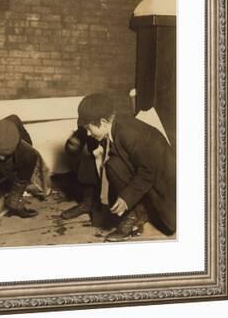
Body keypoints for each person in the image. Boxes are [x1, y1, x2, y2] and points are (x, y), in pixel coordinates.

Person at [73, 93, 176, 241]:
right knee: (112, 163)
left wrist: (127, 198)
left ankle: (139, 213)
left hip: (166, 182)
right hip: (149, 171)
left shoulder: (128, 133)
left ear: (102, 122)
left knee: (114, 165)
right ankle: (138, 210)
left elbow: (148, 171)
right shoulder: (115, 125)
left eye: (89, 128)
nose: (88, 133)